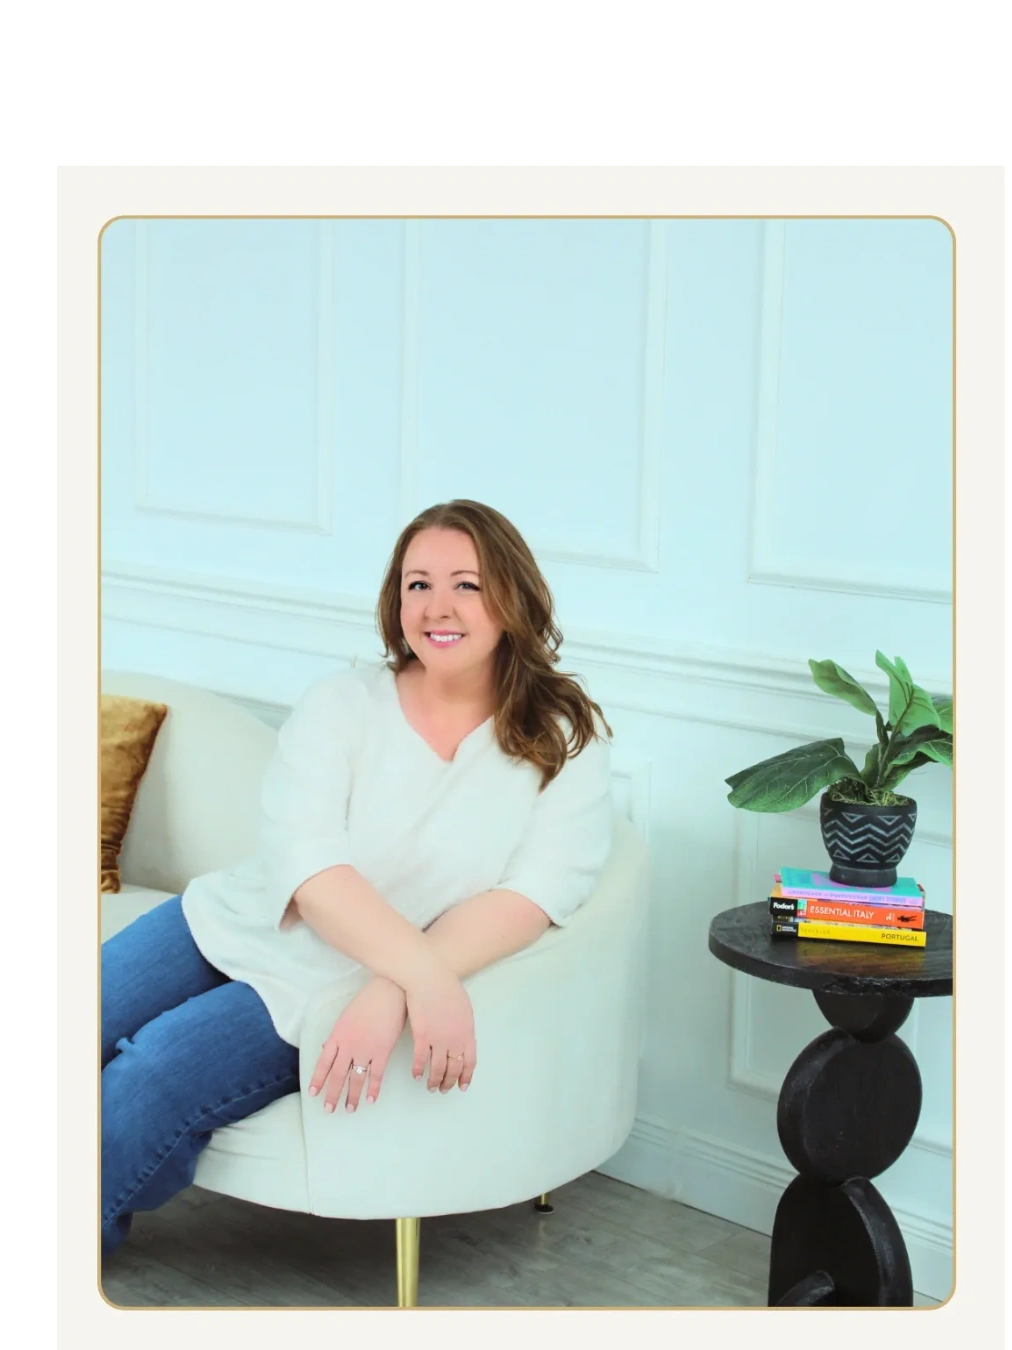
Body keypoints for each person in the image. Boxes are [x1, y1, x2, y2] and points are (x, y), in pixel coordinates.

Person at [101, 499, 616, 1258]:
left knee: (146, 1081)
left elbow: (533, 895)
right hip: (227, 921)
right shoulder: (341, 704)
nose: (438, 607)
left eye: (466, 585)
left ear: (512, 596)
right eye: (417, 585)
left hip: (325, 984)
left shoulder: (568, 739)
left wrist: (392, 986)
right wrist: (429, 982)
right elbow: (310, 871)